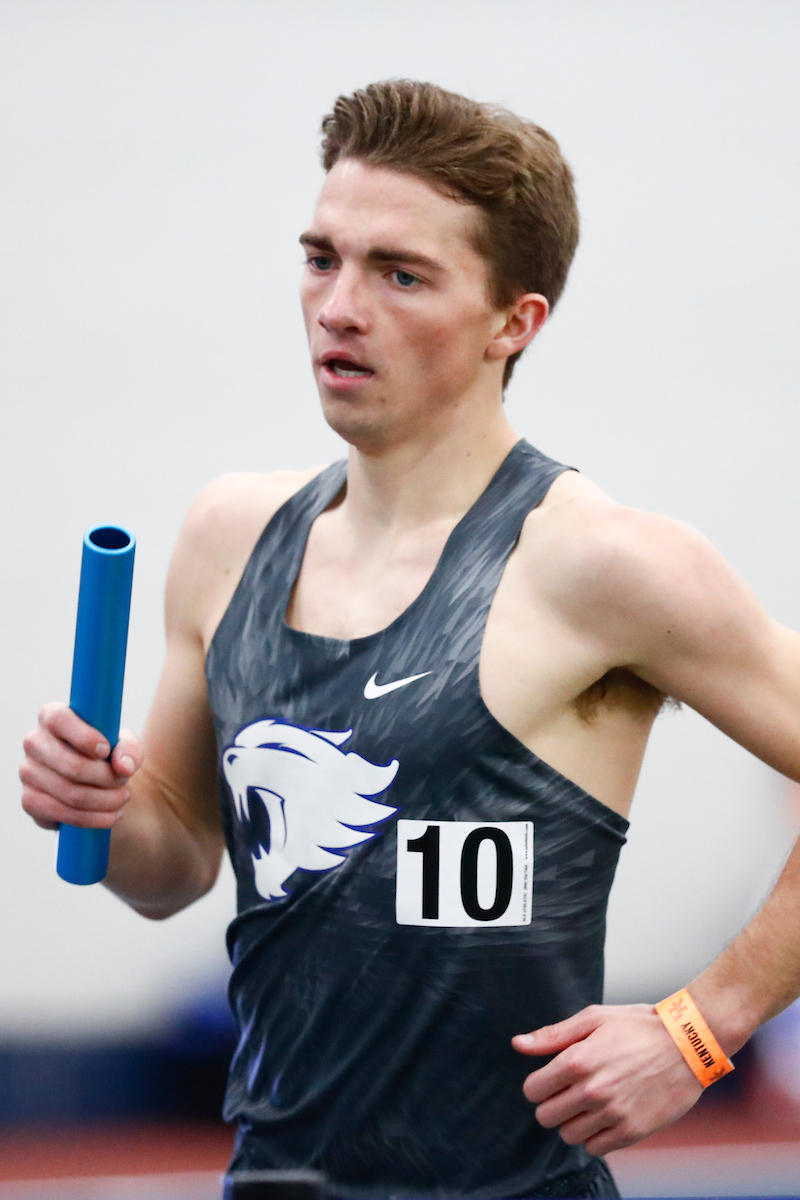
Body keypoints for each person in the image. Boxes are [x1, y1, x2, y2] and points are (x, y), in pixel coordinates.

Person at [19, 79, 800, 1200]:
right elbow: (175, 863)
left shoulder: (601, 565)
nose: (338, 306)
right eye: (320, 258)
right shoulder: (229, 536)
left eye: (399, 274)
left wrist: (701, 1024)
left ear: (512, 323)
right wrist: (105, 807)